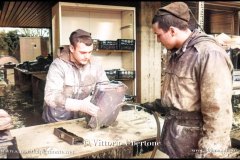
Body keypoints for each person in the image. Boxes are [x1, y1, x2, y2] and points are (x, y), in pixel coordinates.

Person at [144, 1, 233, 158]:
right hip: (175, 137)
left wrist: (210, 153)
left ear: (172, 31)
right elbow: (183, 94)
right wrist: (158, 105)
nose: (158, 40)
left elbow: (217, 113)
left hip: (195, 142)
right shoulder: (176, 53)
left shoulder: (208, 54)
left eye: (158, 35)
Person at [42, 29, 109, 123]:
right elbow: (51, 96)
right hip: (58, 120)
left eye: (90, 52)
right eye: (82, 52)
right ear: (72, 48)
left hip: (82, 119)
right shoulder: (58, 65)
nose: (87, 57)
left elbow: (105, 87)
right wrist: (80, 105)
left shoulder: (95, 64)